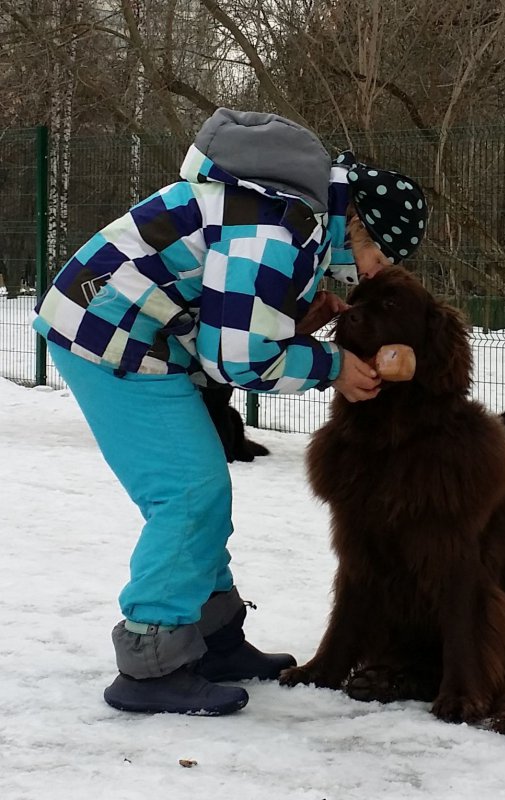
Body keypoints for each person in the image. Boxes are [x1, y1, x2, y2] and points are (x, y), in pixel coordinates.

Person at [32, 108, 428, 716]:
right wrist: (329, 369)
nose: (371, 274)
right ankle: (151, 665)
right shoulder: (276, 225)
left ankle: (213, 640)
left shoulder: (281, 212)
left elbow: (230, 315)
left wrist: (296, 324)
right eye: (379, 257)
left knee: (202, 493)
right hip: (112, 340)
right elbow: (236, 356)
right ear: (357, 225)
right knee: (188, 495)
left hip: (143, 338)